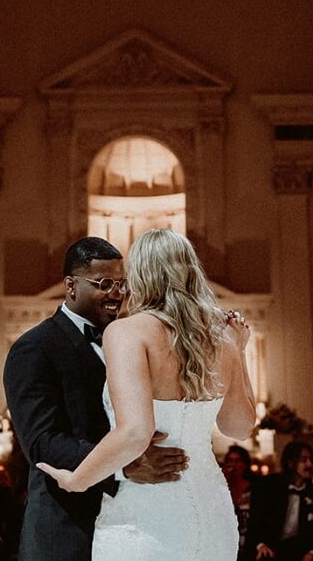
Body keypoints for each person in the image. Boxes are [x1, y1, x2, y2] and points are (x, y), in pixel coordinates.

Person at [34, 229, 258, 560]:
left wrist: (77, 479)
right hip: (213, 515)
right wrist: (237, 351)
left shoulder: (126, 332)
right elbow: (239, 427)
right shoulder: (222, 340)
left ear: (140, 275)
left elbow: (136, 432)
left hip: (148, 516)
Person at [2, 235, 191, 560]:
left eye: (122, 283)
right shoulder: (35, 348)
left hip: (135, 527)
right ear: (71, 285)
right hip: (66, 529)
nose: (117, 294)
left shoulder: (133, 341)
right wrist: (123, 465)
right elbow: (43, 445)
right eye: (104, 283)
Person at [244, 441, 313, 561]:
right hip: (270, 550)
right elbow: (254, 526)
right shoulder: (268, 487)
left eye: (310, 459)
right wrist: (261, 546)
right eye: (303, 460)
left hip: (299, 551)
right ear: (290, 463)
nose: (310, 465)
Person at [220, 445, 254, 549]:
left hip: (247, 540)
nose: (233, 464)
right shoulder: (222, 489)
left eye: (237, 461)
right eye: (230, 460)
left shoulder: (252, 489)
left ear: (244, 465)